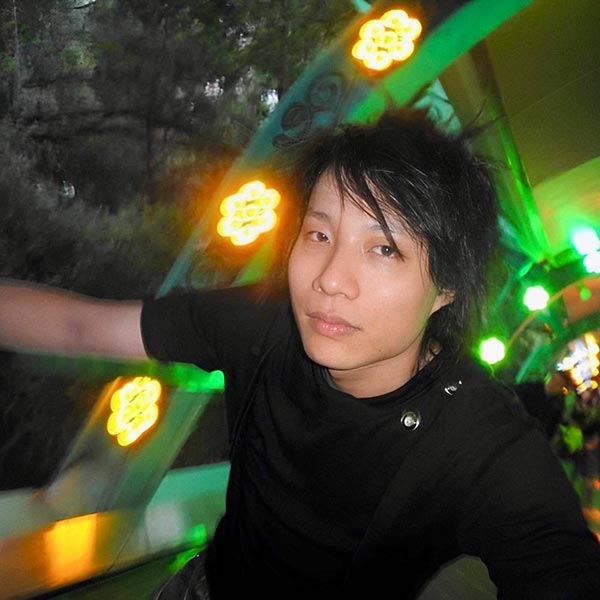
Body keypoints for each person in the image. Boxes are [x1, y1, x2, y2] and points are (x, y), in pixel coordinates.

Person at [1, 109, 600, 599]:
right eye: (319, 234)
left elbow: (557, 563)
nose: (330, 278)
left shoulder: (477, 436)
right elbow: (80, 326)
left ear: (446, 289)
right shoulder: (264, 324)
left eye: (384, 249)